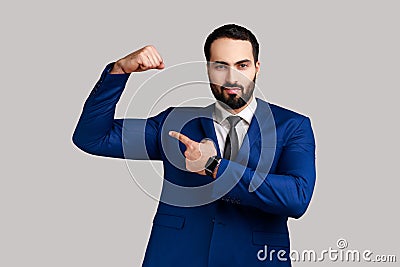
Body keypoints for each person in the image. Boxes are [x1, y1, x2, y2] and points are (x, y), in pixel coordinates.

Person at [72, 24, 316, 266]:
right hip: (178, 256)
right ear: (208, 69)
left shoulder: (292, 126)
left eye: (242, 65)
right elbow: (93, 138)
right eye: (221, 66)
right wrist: (120, 71)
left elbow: (297, 197)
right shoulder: (175, 122)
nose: (232, 78)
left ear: (256, 68)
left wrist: (214, 167)